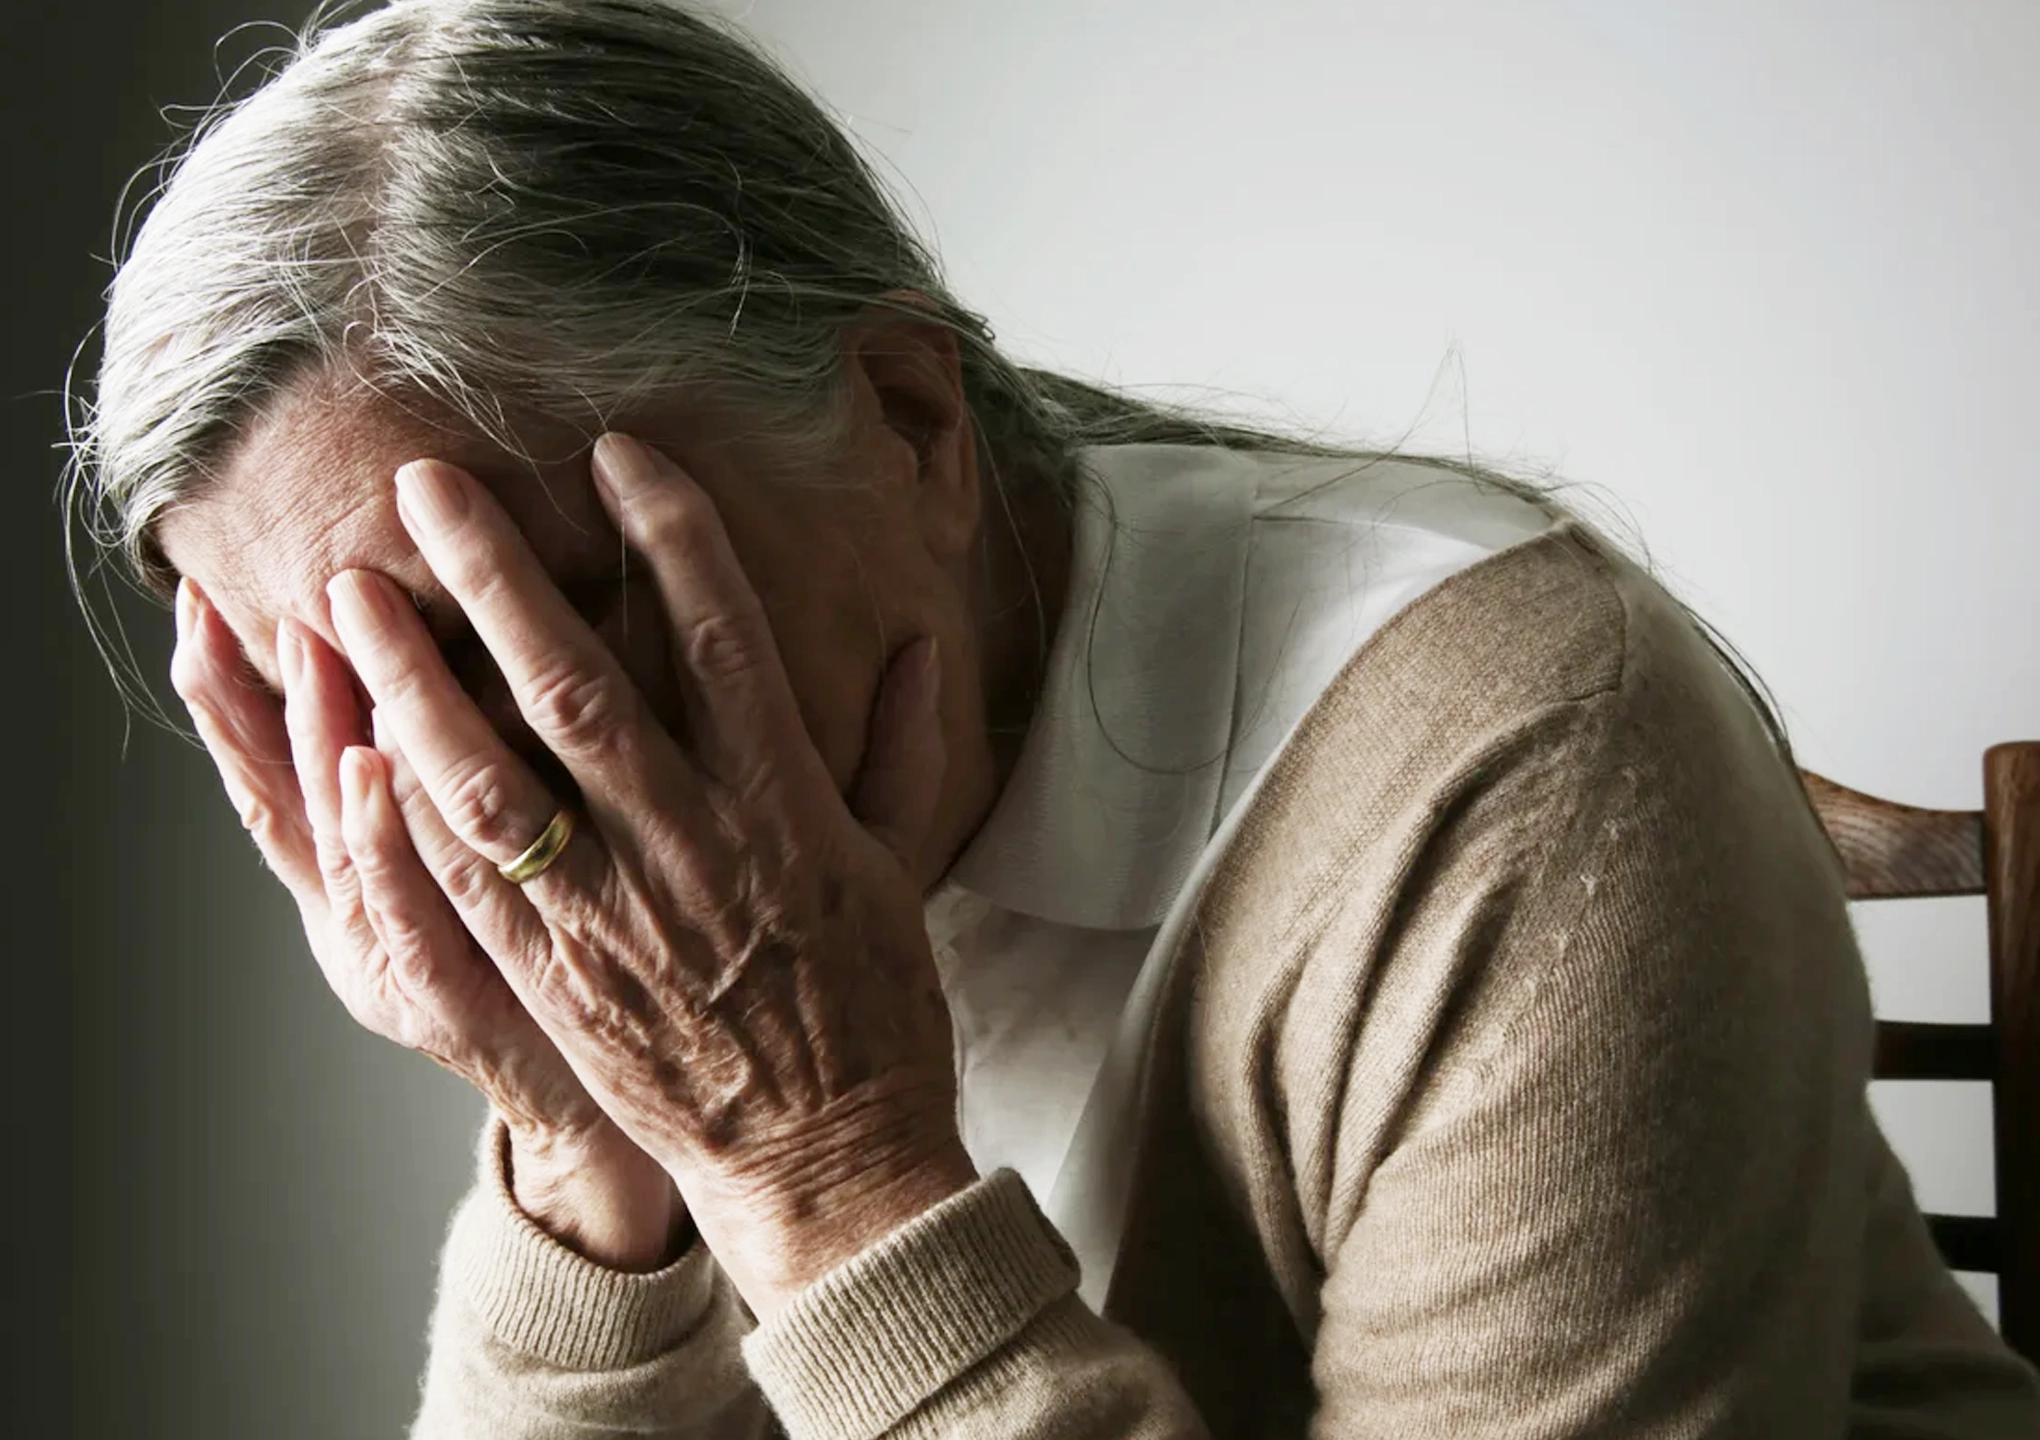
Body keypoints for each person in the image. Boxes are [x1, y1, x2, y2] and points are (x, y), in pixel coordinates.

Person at [69, 1, 2040, 1436]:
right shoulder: (675, 863)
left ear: (909, 421)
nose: (482, 793)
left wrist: (820, 1165)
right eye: (357, 700)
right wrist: (578, 1131)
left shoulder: (1530, 769)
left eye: (539, 615)